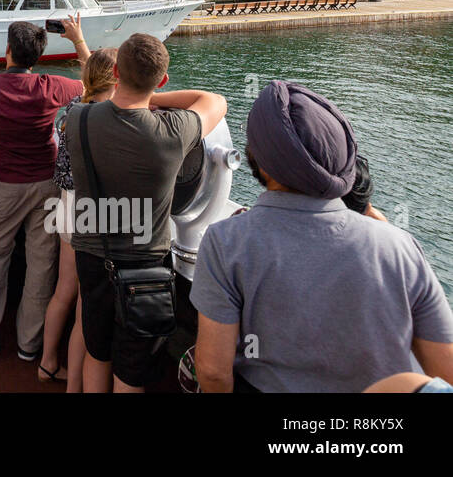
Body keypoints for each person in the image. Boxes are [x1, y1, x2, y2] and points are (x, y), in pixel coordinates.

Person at [192, 80, 453, 393]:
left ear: (260, 162)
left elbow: (213, 372)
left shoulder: (226, 242)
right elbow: (444, 368)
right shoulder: (399, 245)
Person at [65, 33, 226, 393]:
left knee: (97, 352)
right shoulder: (173, 131)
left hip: (91, 257)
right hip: (145, 268)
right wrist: (153, 96)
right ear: (162, 80)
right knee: (132, 370)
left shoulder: (78, 119)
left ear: (117, 72)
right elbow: (214, 101)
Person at [0, 17, 90, 360]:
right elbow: (97, 81)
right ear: (39, 55)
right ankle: (29, 343)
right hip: (47, 185)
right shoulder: (53, 86)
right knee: (42, 263)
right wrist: (78, 40)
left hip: (4, 185)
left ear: (8, 51)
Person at [42, 46, 117, 390]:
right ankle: (75, 384)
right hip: (89, 211)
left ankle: (46, 363)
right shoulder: (109, 115)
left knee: (64, 291)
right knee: (87, 305)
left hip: (65, 205)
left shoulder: (71, 109)